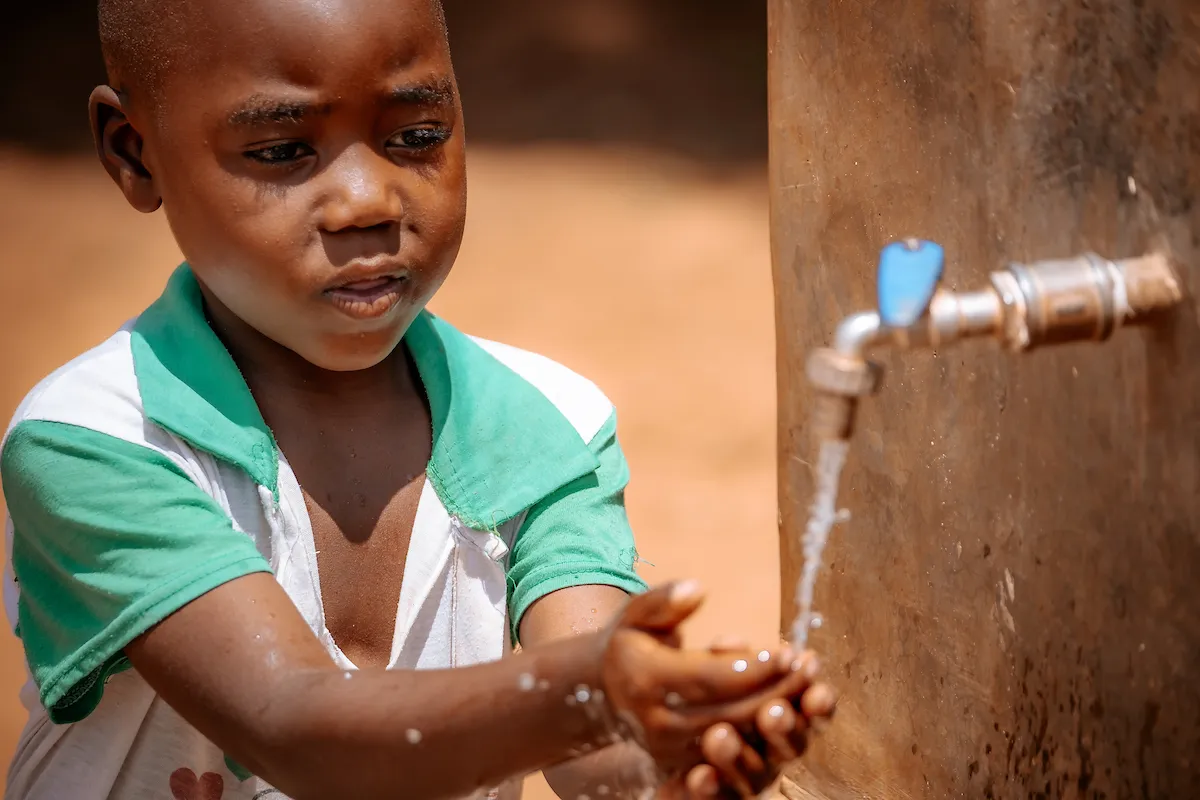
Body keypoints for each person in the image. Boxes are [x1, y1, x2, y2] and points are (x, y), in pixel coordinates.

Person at [0, 0, 834, 797]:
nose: (368, 201)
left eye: (418, 135)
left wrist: (679, 755)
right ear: (132, 151)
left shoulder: (546, 426)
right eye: (283, 150)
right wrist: (594, 688)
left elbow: (600, 760)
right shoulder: (101, 439)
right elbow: (291, 723)